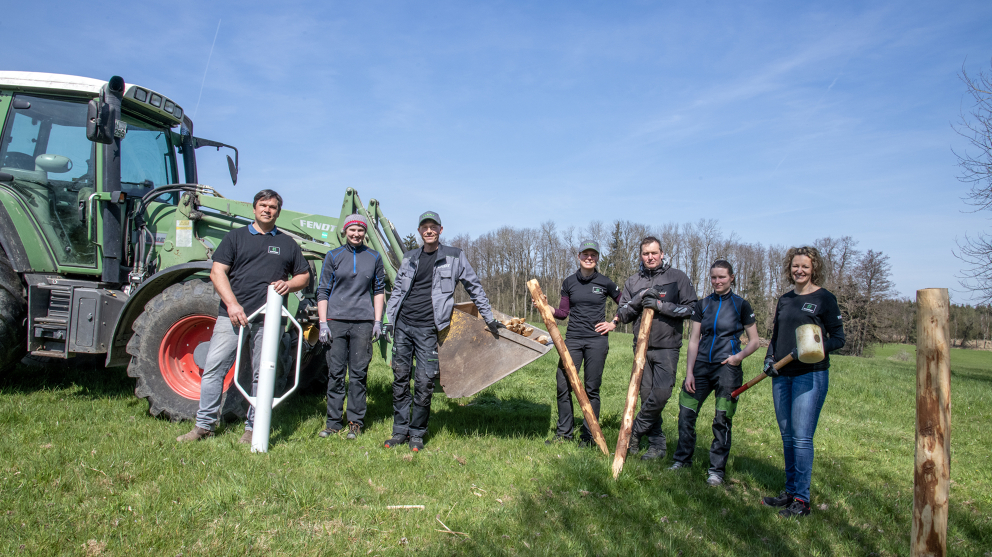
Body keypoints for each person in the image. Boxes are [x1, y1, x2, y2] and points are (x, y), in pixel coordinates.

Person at [178, 190, 310, 443]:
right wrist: (232, 305)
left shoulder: (287, 244)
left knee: (263, 374)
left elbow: (303, 276)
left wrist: (290, 285)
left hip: (268, 321)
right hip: (232, 317)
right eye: (263, 205)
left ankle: (253, 428)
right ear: (254, 208)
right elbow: (218, 273)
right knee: (214, 369)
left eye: (272, 207)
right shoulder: (235, 238)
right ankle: (203, 426)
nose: (267, 210)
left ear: (278, 212)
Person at [382, 211, 505, 452]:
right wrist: (389, 319)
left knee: (425, 381)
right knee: (399, 378)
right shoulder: (409, 258)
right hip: (404, 326)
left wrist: (489, 318)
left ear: (440, 229)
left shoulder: (454, 256)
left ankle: (417, 433)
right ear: (419, 231)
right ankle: (399, 431)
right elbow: (397, 291)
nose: (428, 230)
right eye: (424, 227)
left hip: (429, 329)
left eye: (433, 227)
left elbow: (474, 287)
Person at [760, 246, 844, 518]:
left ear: (814, 269)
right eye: (795, 266)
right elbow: (776, 335)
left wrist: (815, 348)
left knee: (801, 438)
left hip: (811, 374)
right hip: (782, 375)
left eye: (805, 267)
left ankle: (802, 500)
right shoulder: (784, 300)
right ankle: (790, 491)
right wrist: (769, 358)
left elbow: (839, 338)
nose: (799, 270)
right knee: (787, 436)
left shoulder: (825, 299)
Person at [669, 260, 760, 486]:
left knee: (722, 418)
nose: (717, 281)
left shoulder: (741, 305)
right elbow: (693, 340)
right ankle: (682, 459)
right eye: (713, 277)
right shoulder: (703, 305)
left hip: (727, 369)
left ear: (731, 278)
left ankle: (716, 471)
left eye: (721, 277)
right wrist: (689, 372)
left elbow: (755, 342)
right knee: (686, 412)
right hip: (700, 367)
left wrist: (737, 358)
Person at [613, 237, 697, 460]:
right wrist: (639, 300)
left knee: (661, 393)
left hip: (667, 347)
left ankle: (634, 432)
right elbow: (622, 314)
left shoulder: (677, 277)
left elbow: (692, 309)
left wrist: (661, 306)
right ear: (640, 255)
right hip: (641, 347)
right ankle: (657, 445)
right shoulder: (633, 282)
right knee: (646, 395)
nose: (650, 257)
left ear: (662, 253)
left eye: (654, 253)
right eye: (645, 253)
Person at [542, 240, 622, 447]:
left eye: (593, 255)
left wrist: (613, 323)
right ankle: (564, 434)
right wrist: (545, 306)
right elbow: (562, 313)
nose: (589, 258)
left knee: (591, 388)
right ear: (579, 257)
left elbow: (626, 304)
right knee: (563, 383)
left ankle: (589, 437)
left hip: (597, 341)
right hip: (573, 340)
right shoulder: (569, 282)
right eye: (585, 254)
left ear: (597, 258)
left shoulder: (605, 282)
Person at [315, 214, 386, 440]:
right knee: (335, 373)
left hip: (363, 323)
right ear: (345, 231)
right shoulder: (333, 255)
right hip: (336, 321)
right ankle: (333, 422)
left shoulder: (374, 257)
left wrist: (377, 321)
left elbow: (378, 291)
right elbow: (323, 291)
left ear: (365, 233)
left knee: (358, 374)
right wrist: (323, 323)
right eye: (352, 230)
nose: (356, 234)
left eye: (360, 230)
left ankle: (355, 422)